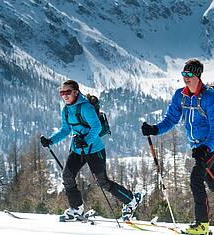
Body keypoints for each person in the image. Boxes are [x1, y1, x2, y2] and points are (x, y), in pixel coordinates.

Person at [141, 59, 214, 235]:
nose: (185, 78)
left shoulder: (209, 96)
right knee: (213, 182)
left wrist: (206, 148)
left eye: (189, 74)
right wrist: (154, 129)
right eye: (184, 74)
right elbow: (171, 119)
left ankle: (202, 225)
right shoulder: (179, 95)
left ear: (197, 75)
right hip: (198, 146)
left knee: (196, 178)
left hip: (213, 142)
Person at [40, 80, 143, 221]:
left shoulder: (86, 107)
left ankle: (131, 200)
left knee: (103, 182)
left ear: (76, 92)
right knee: (67, 176)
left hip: (94, 150)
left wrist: (86, 140)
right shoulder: (66, 110)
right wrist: (50, 140)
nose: (64, 95)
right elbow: (65, 130)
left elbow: (97, 127)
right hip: (77, 150)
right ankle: (76, 209)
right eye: (61, 93)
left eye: (67, 92)